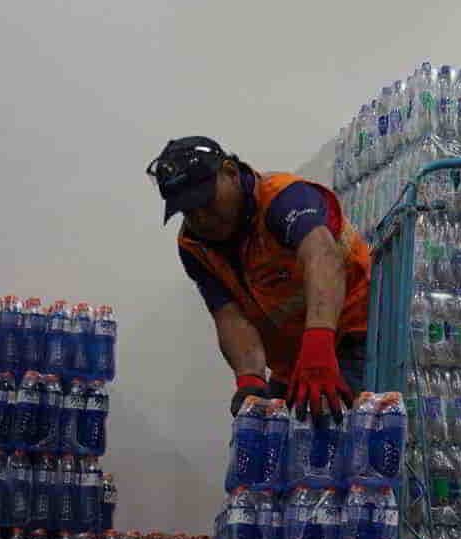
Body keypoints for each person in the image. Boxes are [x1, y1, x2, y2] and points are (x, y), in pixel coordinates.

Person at [148, 136, 371, 422]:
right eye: (189, 211)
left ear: (230, 172)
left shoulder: (284, 199)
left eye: (206, 202)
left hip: (350, 335)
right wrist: (250, 378)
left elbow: (322, 255)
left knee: (328, 431)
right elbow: (229, 315)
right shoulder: (194, 246)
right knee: (264, 436)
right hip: (295, 362)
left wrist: (319, 340)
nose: (202, 219)